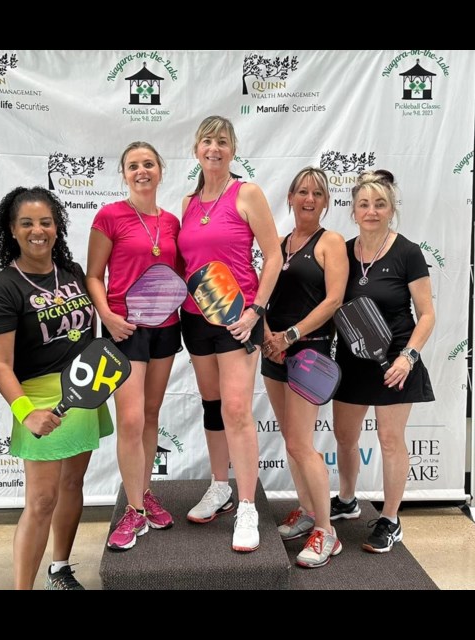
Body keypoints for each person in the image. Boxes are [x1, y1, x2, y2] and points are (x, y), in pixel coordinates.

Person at [0, 186, 113, 590]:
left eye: (46, 222)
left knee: (73, 485)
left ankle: (60, 567)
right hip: (37, 401)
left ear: (57, 227)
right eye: (27, 223)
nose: (38, 230)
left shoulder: (71, 271)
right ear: (12, 230)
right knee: (40, 502)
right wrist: (26, 412)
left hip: (83, 394)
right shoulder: (3, 289)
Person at [178, 115, 282, 552]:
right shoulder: (187, 201)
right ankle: (220, 486)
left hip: (239, 318)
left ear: (233, 149)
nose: (214, 148)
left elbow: (274, 256)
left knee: (238, 409)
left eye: (222, 141)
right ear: (196, 149)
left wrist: (257, 310)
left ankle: (246, 505)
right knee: (213, 405)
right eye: (207, 141)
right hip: (195, 317)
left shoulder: (247, 193)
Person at [330, 170, 436, 553]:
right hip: (352, 357)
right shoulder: (341, 250)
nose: (371, 211)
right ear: (353, 210)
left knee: (390, 440)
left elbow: (426, 314)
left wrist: (408, 358)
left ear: (391, 209)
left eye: (379, 204)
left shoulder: (407, 251)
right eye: (364, 204)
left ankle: (390, 519)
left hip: (396, 359)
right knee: (345, 436)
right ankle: (346, 499)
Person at [86, 142, 181, 551]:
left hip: (166, 326)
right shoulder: (109, 217)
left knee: (150, 415)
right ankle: (133, 510)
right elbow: (93, 275)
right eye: (132, 166)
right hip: (125, 328)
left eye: (148, 164)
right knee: (129, 419)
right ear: (124, 174)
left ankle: (144, 495)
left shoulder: (173, 222)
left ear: (160, 170)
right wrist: (107, 317)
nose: (141, 171)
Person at [260, 167, 348, 568]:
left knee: (300, 444)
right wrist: (267, 336)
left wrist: (290, 336)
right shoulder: (279, 244)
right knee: (291, 443)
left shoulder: (331, 242)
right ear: (290, 197)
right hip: (273, 353)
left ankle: (327, 532)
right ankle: (308, 512)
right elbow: (262, 295)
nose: (309, 198)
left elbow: (332, 301)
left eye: (317, 193)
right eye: (302, 192)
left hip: (309, 352)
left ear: (326, 201)